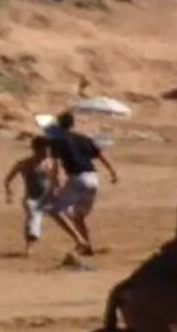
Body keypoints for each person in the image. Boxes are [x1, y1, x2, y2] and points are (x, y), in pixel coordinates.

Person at [37, 108, 119, 254]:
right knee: (78, 216)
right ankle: (88, 248)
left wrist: (52, 187)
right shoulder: (83, 138)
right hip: (93, 179)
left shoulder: (57, 141)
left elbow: (56, 165)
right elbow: (101, 156)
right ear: (72, 124)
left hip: (77, 178)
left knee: (53, 209)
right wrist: (113, 172)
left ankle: (80, 241)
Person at [2, 126, 60, 253]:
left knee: (66, 217)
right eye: (45, 150)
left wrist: (57, 192)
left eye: (49, 150)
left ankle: (80, 242)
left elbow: (56, 180)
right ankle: (29, 246)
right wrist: (9, 192)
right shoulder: (25, 163)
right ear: (36, 149)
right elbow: (8, 179)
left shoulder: (50, 163)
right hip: (31, 198)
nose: (47, 152)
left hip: (48, 198)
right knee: (34, 216)